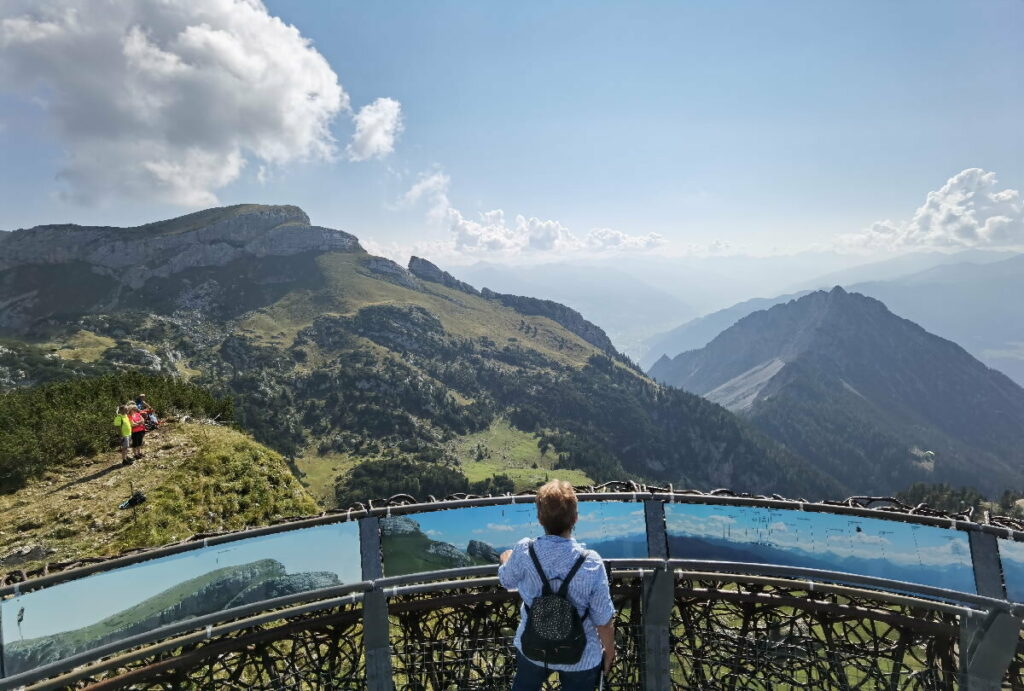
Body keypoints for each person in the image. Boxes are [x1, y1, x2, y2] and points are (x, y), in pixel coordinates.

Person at [498, 480, 615, 690]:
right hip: (581, 655)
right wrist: (609, 652)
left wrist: (506, 560)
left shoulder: (525, 551)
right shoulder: (591, 561)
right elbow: (603, 620)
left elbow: (507, 581)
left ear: (539, 518)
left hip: (533, 647)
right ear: (575, 519)